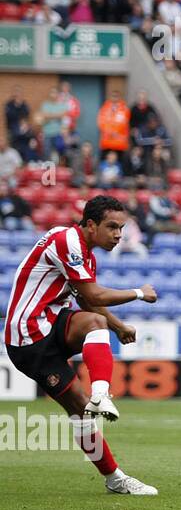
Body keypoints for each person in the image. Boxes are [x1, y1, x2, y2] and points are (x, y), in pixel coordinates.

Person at [3, 196, 159, 494]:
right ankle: (114, 473)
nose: (118, 234)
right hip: (28, 339)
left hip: (50, 323)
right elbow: (94, 295)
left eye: (121, 228)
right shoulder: (67, 242)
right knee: (79, 409)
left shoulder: (85, 254)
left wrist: (118, 326)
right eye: (111, 227)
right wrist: (139, 292)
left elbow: (87, 300)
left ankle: (102, 404)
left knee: (95, 323)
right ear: (90, 225)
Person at [97, 90, 130, 155]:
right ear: (110, 97)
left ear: (119, 97)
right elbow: (101, 122)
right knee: (105, 163)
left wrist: (116, 132)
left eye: (116, 96)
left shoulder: (125, 109)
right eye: (113, 96)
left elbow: (125, 123)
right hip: (107, 142)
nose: (115, 98)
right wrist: (110, 132)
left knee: (120, 164)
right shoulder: (104, 108)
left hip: (119, 143)